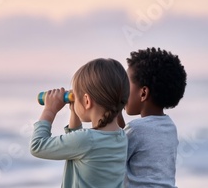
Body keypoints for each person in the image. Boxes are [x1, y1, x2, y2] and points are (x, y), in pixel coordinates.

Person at [30, 58, 130, 188]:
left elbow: (37, 146)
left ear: (87, 101)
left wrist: (49, 110)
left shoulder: (86, 140)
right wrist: (74, 110)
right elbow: (78, 147)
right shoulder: (122, 137)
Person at [118, 48, 187, 188]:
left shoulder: (136, 130)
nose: (122, 89)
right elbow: (120, 137)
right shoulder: (169, 127)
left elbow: (113, 149)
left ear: (143, 93)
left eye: (126, 84)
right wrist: (117, 111)